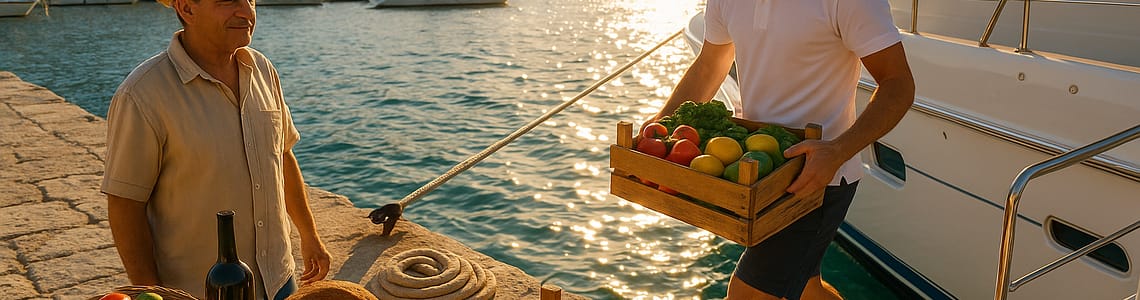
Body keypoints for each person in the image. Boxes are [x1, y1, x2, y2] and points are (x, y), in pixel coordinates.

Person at [650, 0, 915, 299]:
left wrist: (838, 151)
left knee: (746, 294)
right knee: (807, 289)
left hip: (817, 177)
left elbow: (898, 83)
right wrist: (660, 129)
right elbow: (709, 65)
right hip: (759, 175)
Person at [101, 0, 331, 298]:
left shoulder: (263, 70)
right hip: (197, 290)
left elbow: (283, 156)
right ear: (187, 9)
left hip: (278, 279)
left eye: (250, 0)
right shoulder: (143, 94)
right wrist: (151, 293)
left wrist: (309, 234)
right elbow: (125, 204)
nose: (247, 12)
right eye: (228, 1)